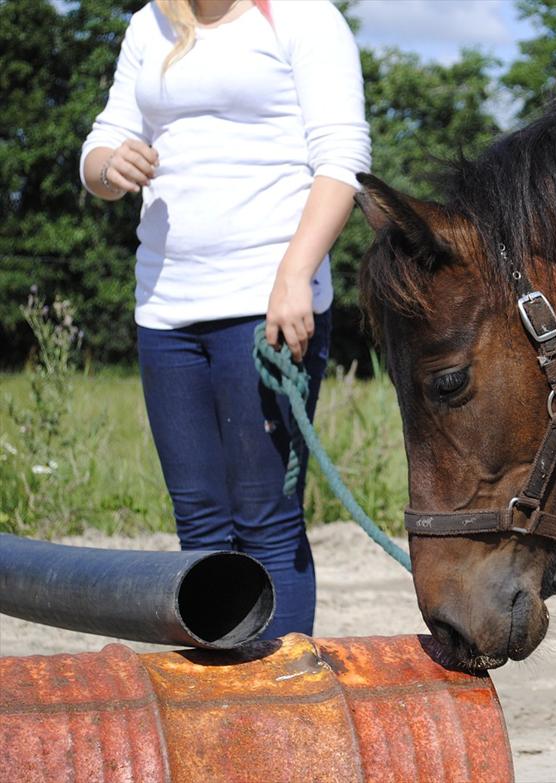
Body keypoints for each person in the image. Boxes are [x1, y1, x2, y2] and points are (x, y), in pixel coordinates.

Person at [80, 0, 370, 638]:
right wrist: (108, 165)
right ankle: (221, 700)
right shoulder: (149, 24)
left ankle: (283, 702)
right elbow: (103, 141)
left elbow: (342, 159)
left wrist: (295, 274)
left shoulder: (302, 17)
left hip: (265, 304)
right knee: (199, 522)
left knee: (265, 516)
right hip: (166, 307)